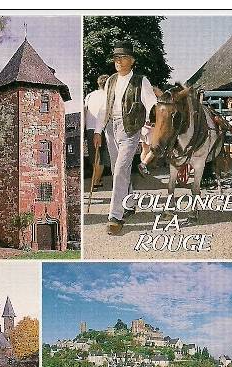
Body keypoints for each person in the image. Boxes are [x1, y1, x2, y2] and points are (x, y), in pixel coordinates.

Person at [93, 41, 158, 235]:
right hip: (111, 129)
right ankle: (129, 203)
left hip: (130, 129)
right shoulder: (111, 80)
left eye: (122, 58)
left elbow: (152, 104)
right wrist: (98, 131)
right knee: (117, 170)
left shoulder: (141, 81)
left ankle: (115, 216)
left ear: (132, 60)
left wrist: (146, 124)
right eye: (116, 58)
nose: (118, 61)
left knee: (121, 169)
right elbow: (104, 107)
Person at [84, 74, 110, 187]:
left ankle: (96, 181)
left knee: (95, 157)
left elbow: (85, 112)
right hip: (104, 129)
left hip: (90, 128)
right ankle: (96, 181)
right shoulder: (109, 96)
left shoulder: (90, 95)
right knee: (102, 158)